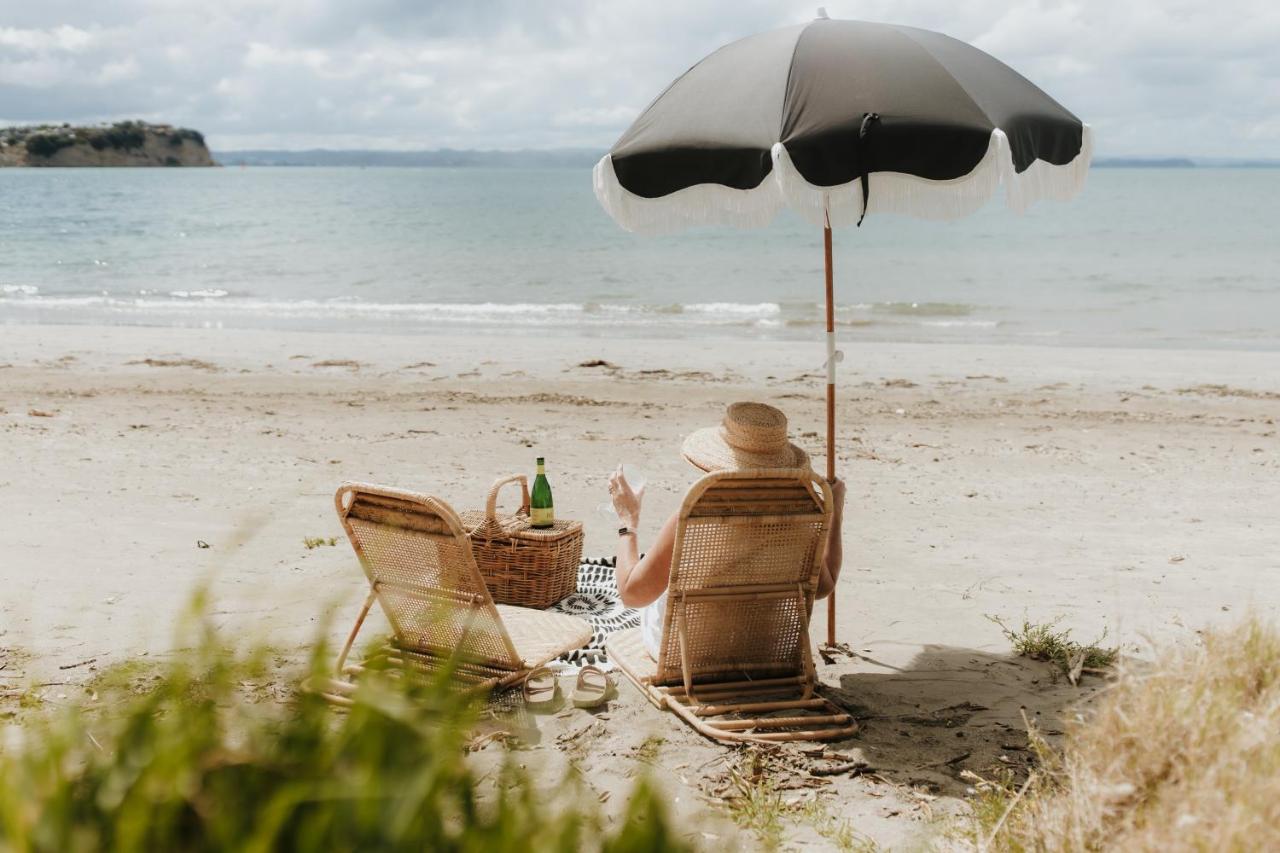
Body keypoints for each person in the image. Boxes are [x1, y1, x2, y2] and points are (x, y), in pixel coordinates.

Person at [607, 401, 846, 660]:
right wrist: (834, 512)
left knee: (655, 595)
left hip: (689, 655)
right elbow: (823, 587)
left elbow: (632, 594)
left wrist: (627, 522)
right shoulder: (800, 515)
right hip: (764, 651)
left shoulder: (695, 516)